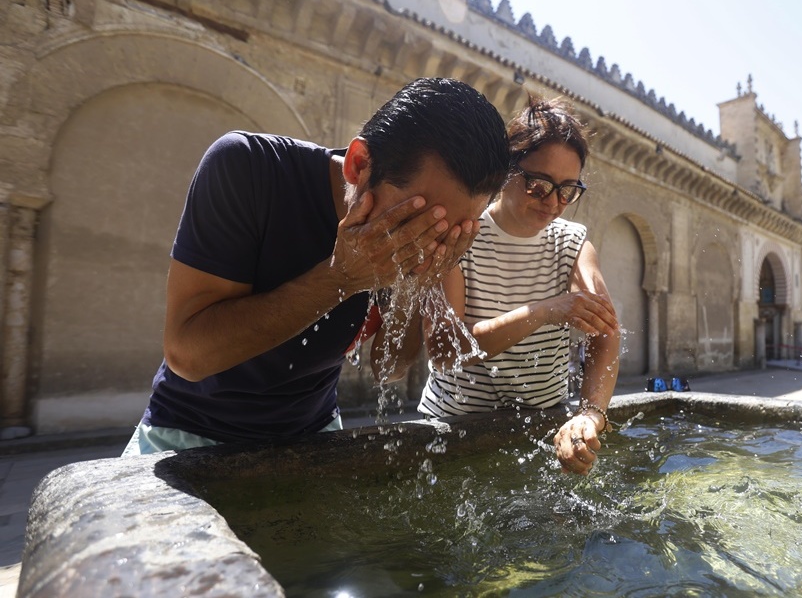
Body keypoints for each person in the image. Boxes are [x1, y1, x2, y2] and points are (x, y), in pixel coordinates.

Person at [122, 77, 511, 455]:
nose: (426, 241)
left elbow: (388, 368)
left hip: (315, 436)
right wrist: (341, 277)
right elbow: (187, 355)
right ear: (359, 165)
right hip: (188, 433)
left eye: (451, 231)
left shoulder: (418, 238)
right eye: (415, 222)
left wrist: (421, 283)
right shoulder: (250, 169)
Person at [419, 96, 620, 476]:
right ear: (505, 169)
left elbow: (605, 333)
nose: (554, 202)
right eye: (539, 184)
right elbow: (444, 349)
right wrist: (543, 311)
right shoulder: (462, 232)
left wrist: (590, 414)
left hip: (541, 429)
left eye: (567, 190)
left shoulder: (572, 243)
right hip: (454, 430)